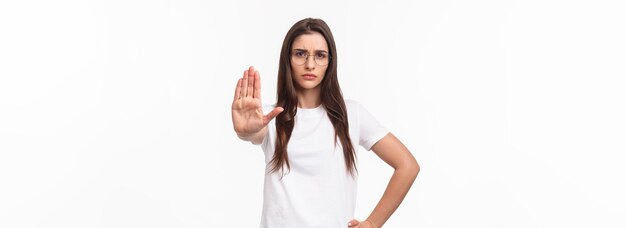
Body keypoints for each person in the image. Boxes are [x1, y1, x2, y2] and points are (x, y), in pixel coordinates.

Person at [231, 18, 419, 228]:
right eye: (300, 54)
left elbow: (407, 166)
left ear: (330, 61)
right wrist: (245, 132)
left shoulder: (351, 114)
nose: (310, 64)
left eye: (320, 55)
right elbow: (255, 133)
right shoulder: (270, 115)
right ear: (288, 59)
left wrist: (373, 223)